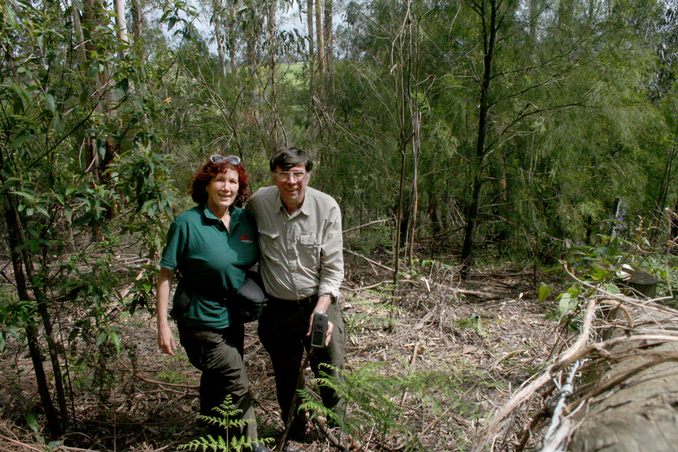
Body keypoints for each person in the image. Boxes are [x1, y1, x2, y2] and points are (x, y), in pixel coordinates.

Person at [156, 154, 270, 452]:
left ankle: (211, 426)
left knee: (217, 376)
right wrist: (162, 326)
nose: (226, 187)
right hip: (200, 319)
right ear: (206, 184)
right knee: (236, 378)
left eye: (233, 181)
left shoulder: (245, 220)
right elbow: (165, 275)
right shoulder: (187, 223)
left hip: (232, 316)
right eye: (219, 180)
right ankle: (252, 445)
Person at [246, 147, 346, 447]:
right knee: (287, 377)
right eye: (283, 174)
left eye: (297, 174)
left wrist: (322, 310)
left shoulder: (326, 207)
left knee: (329, 371)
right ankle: (295, 431)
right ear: (274, 177)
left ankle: (338, 432)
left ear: (308, 175)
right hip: (277, 310)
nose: (291, 181)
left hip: (318, 305)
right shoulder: (258, 203)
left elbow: (333, 268)